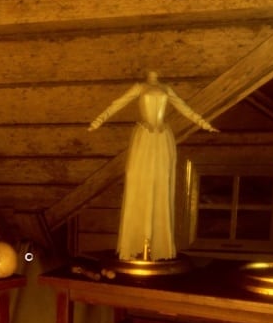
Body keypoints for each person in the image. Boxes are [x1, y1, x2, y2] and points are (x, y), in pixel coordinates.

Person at [89, 71, 218, 261]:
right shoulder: (140, 87)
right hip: (144, 137)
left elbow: (184, 108)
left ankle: (158, 243)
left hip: (162, 138)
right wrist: (98, 120)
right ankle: (135, 240)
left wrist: (203, 123)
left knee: (161, 184)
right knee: (137, 179)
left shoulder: (166, 88)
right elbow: (118, 103)